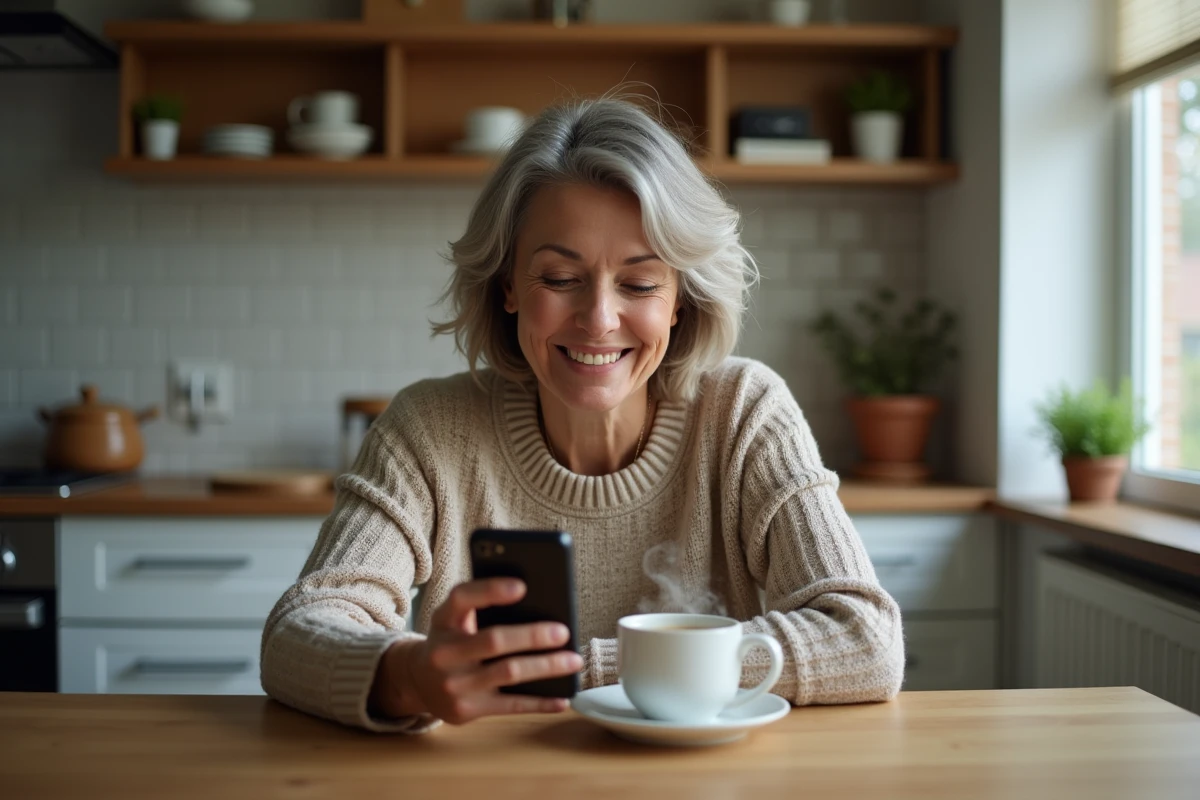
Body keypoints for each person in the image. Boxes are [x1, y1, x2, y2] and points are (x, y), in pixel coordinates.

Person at [261, 96, 904, 733]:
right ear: (508, 286)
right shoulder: (429, 429)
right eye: (560, 278)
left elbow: (865, 639)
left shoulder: (744, 413)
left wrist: (582, 669)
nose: (599, 319)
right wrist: (409, 673)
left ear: (681, 298)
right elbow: (297, 632)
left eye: (640, 283)